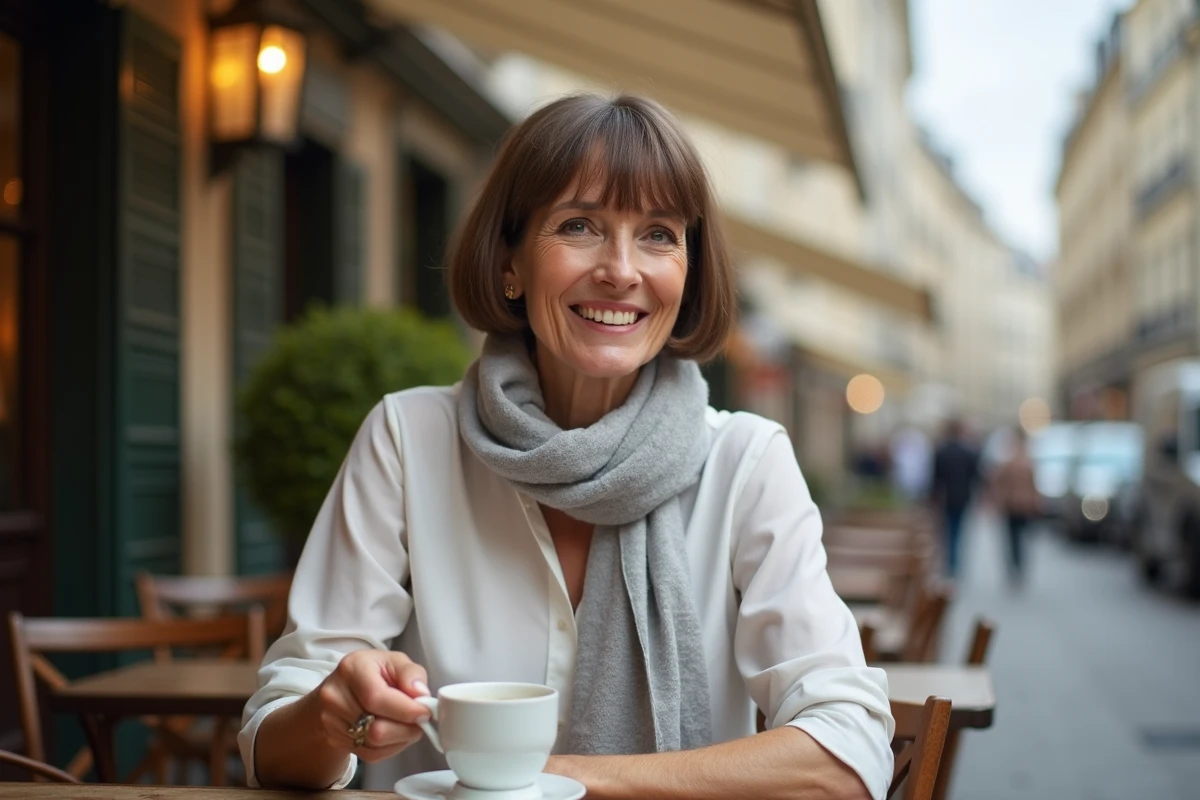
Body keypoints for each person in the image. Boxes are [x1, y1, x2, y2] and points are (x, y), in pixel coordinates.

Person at [238, 94, 893, 799]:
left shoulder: (747, 461)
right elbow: (273, 741)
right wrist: (335, 716)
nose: (621, 270)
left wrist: (546, 779)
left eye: (659, 235)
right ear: (510, 263)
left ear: (689, 273)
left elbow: (846, 757)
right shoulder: (408, 438)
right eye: (579, 226)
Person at [988, 426, 1042, 585]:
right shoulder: (1027, 462)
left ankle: (1015, 565)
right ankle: (1018, 565)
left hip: (1013, 505)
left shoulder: (1008, 461)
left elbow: (997, 483)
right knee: (1020, 538)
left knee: (1013, 538)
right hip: (1019, 506)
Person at [930, 418, 980, 578]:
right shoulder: (968, 452)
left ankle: (950, 563)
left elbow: (935, 478)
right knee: (959, 530)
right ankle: (955, 563)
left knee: (948, 531)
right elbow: (976, 477)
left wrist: (932, 497)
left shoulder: (941, 451)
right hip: (963, 497)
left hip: (945, 497)